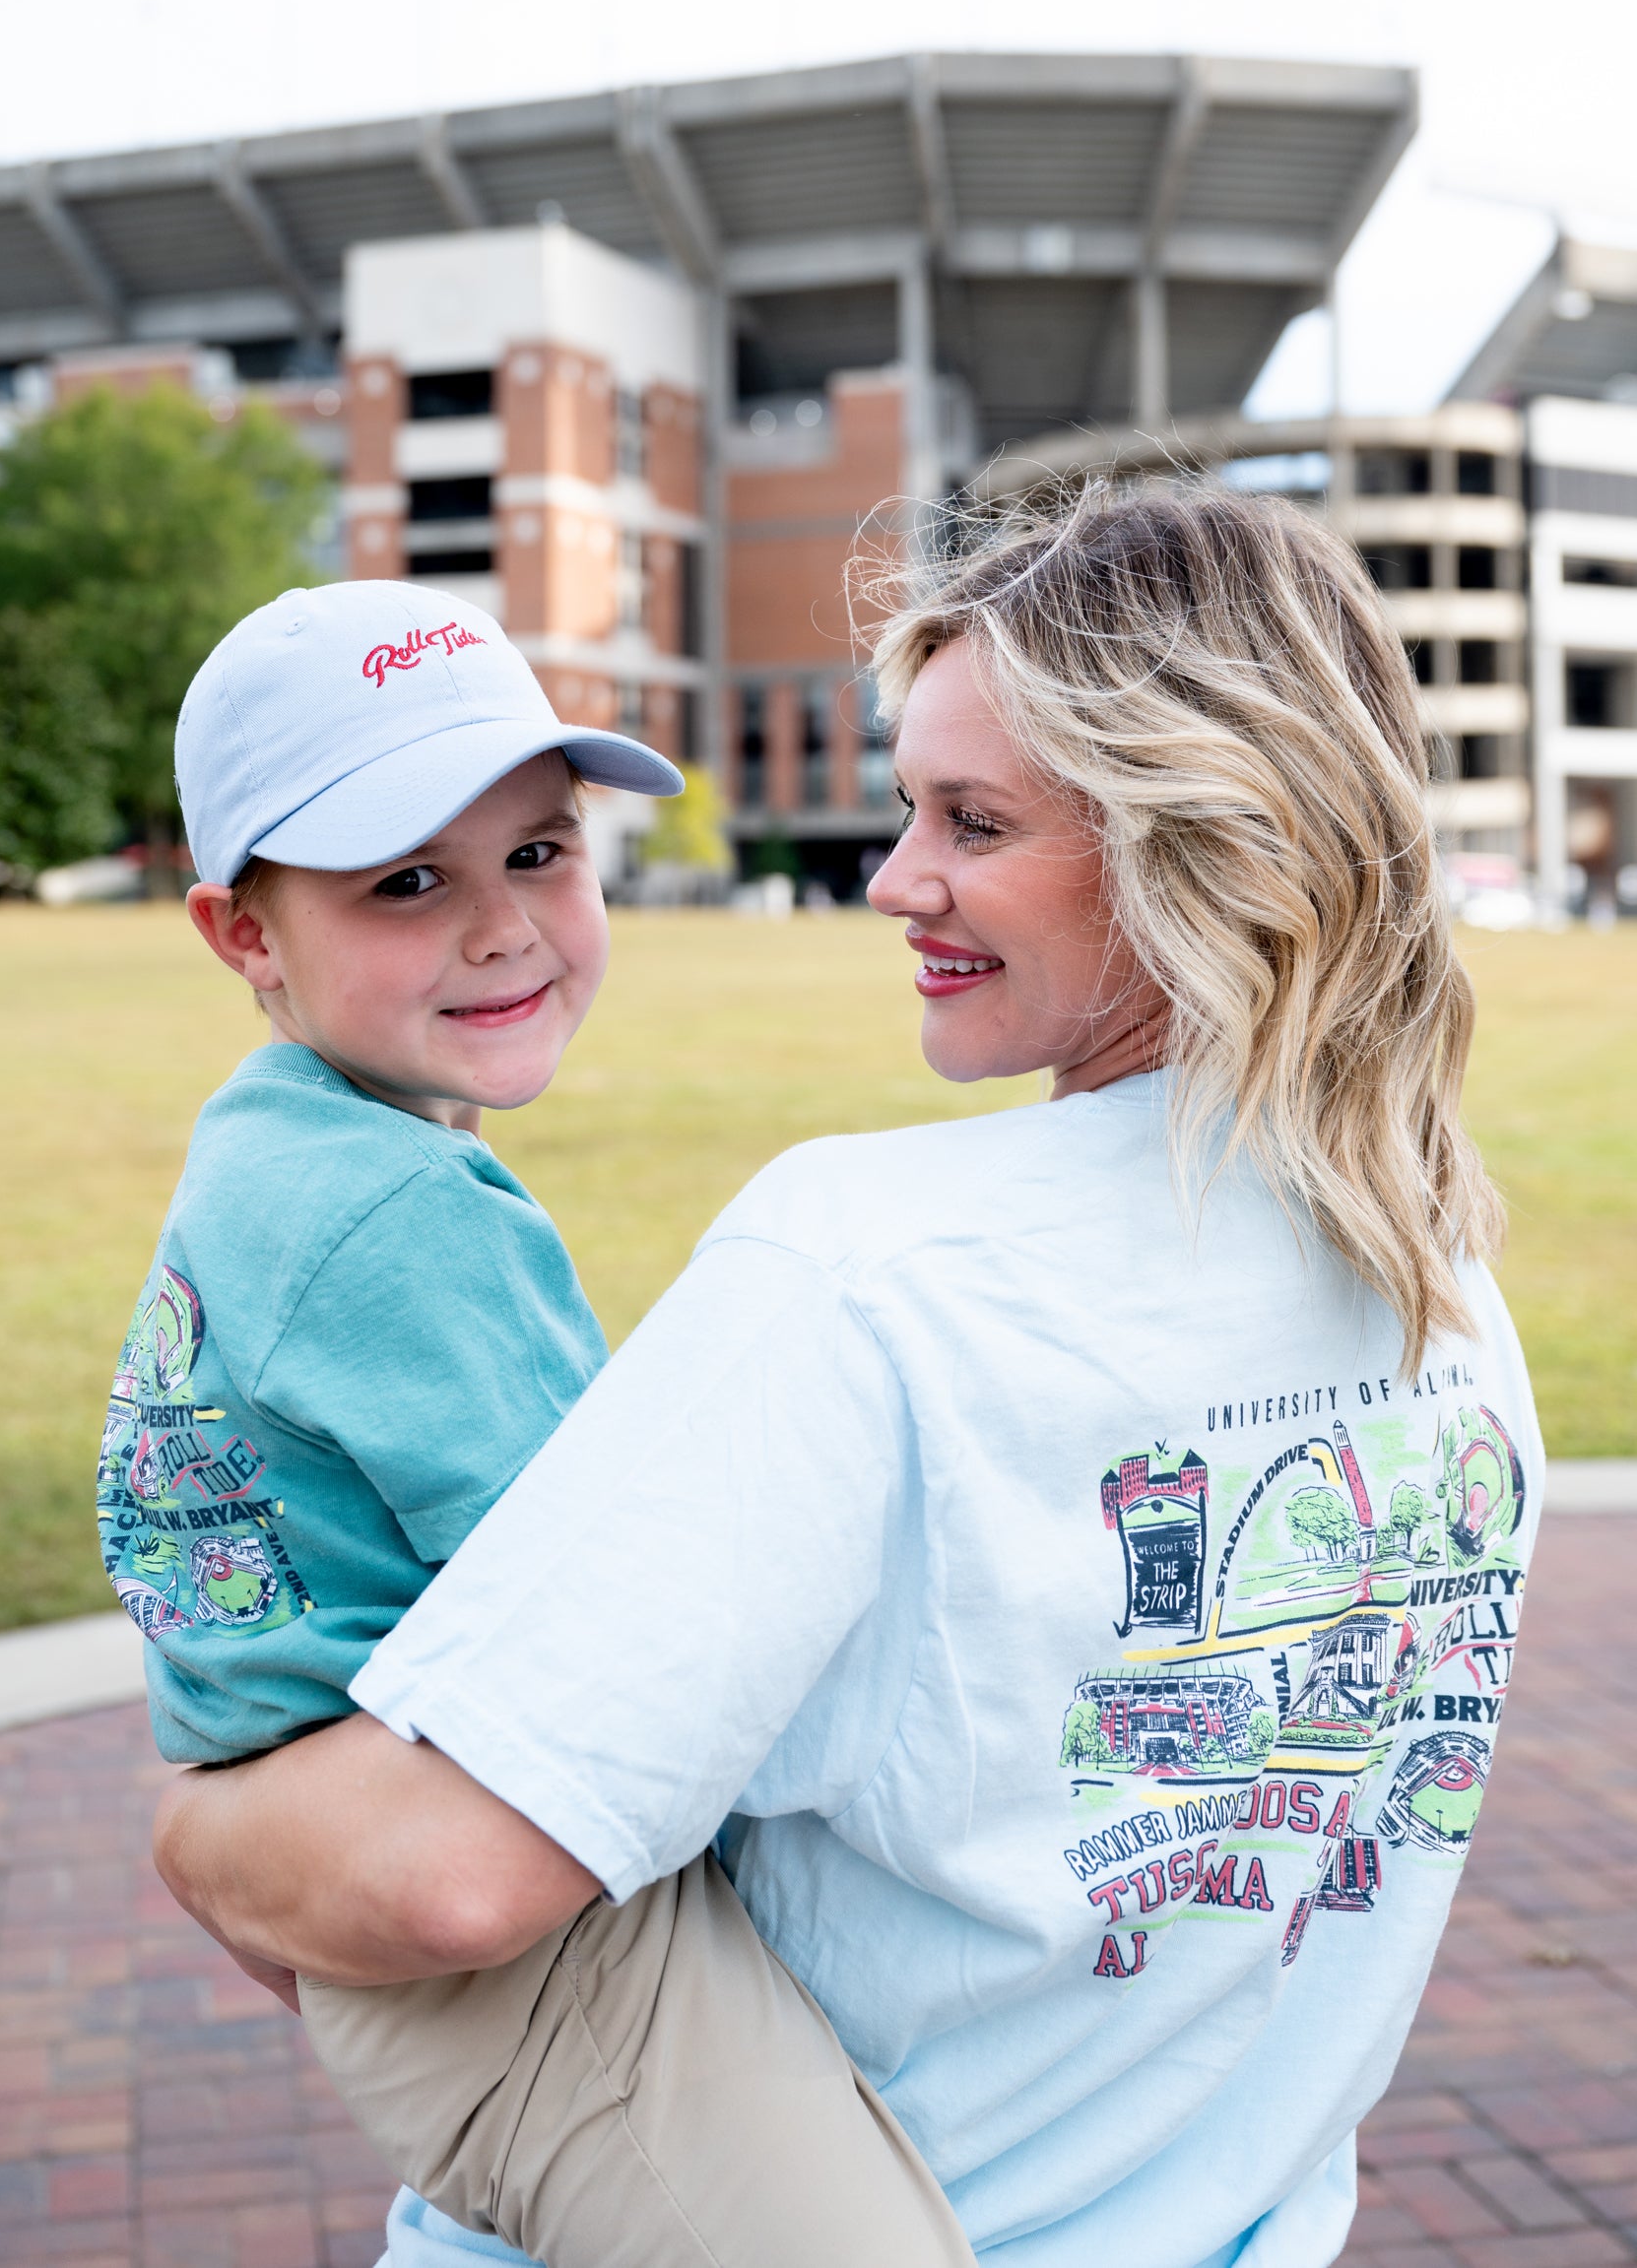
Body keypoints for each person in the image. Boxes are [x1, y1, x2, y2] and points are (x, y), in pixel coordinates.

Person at [155, 491, 1544, 2268]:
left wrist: (199, 1826)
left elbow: (449, 1871)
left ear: (1198, 838)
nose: (896, 878)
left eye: (974, 822)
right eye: (907, 808)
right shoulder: (1444, 1292)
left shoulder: (866, 1273)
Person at [103, 579, 977, 2268]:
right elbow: (616, 1618)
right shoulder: (395, 1221)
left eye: (539, 851)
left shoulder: (278, 1152)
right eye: (407, 881)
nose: (502, 926)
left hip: (384, 1892)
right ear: (244, 935)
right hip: (513, 1936)